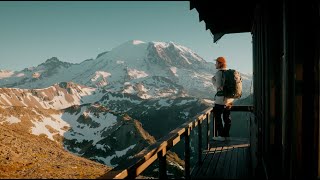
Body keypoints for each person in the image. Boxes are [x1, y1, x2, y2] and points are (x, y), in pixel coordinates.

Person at [211, 56, 234, 141]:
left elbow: (218, 86)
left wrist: (213, 80)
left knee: (217, 117)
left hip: (221, 100)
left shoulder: (219, 73)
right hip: (229, 100)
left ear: (220, 64)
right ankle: (226, 135)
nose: (215, 64)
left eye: (216, 63)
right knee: (227, 118)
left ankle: (221, 136)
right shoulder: (228, 72)